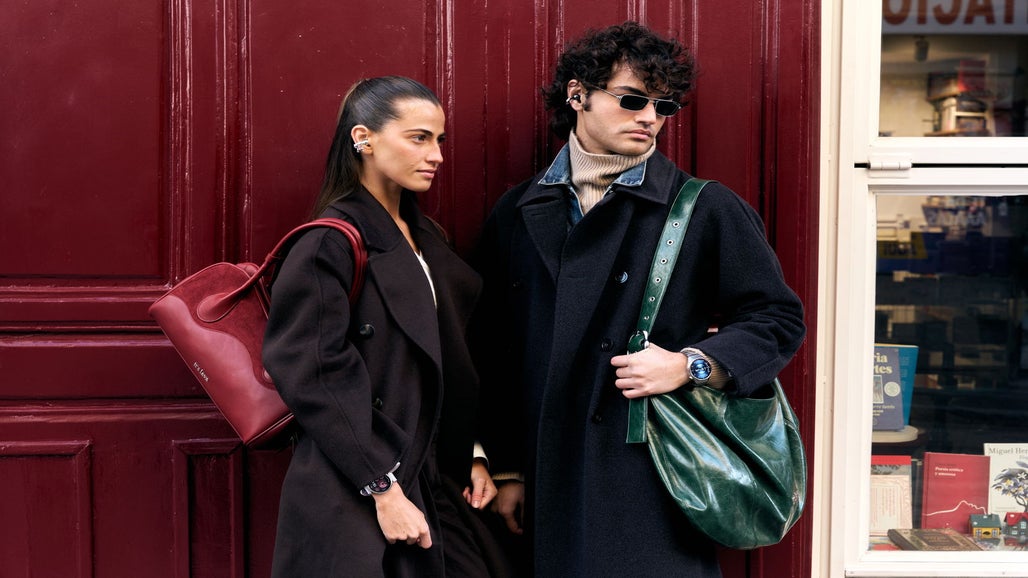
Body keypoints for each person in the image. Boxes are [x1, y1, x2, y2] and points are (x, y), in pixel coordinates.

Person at [471, 22, 806, 577]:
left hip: (651, 472)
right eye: (632, 100)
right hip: (550, 474)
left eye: (663, 106)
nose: (650, 117)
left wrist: (691, 364)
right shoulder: (519, 211)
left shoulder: (703, 207)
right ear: (577, 95)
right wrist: (508, 469)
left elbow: (776, 317)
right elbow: (495, 346)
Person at [263, 76, 510, 577]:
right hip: (358, 479)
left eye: (439, 140)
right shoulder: (328, 244)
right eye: (419, 138)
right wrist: (382, 488)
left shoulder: (425, 239)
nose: (436, 155)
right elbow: (316, 375)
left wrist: (472, 452)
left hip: (435, 475)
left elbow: (449, 359)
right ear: (364, 138)